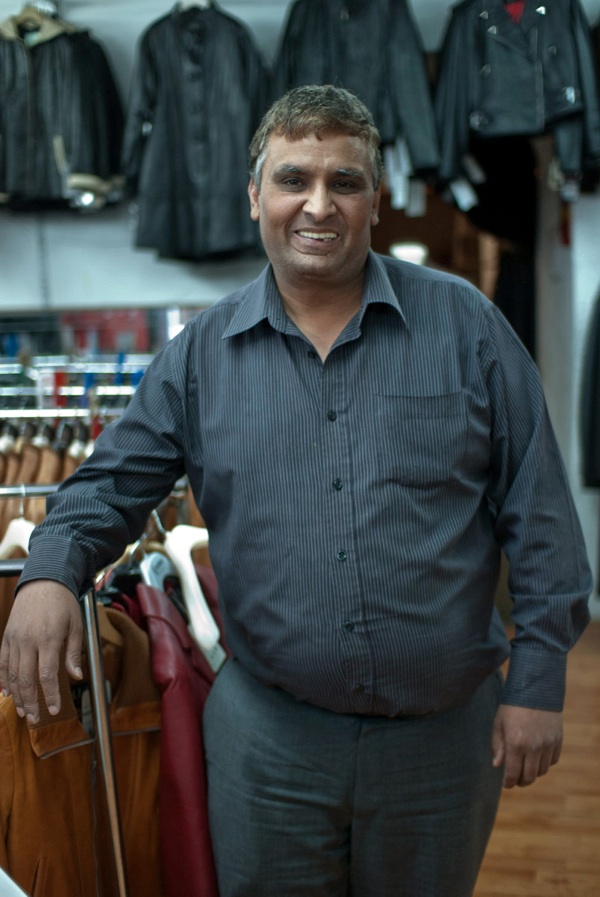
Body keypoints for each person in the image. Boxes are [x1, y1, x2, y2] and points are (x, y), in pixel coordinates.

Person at [0, 85, 593, 897]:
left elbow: (541, 511)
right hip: (268, 747)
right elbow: (107, 485)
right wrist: (48, 570)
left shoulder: (467, 327)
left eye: (344, 181)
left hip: (442, 745)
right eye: (293, 179)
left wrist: (538, 683)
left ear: (374, 200)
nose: (319, 203)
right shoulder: (200, 357)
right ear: (254, 197)